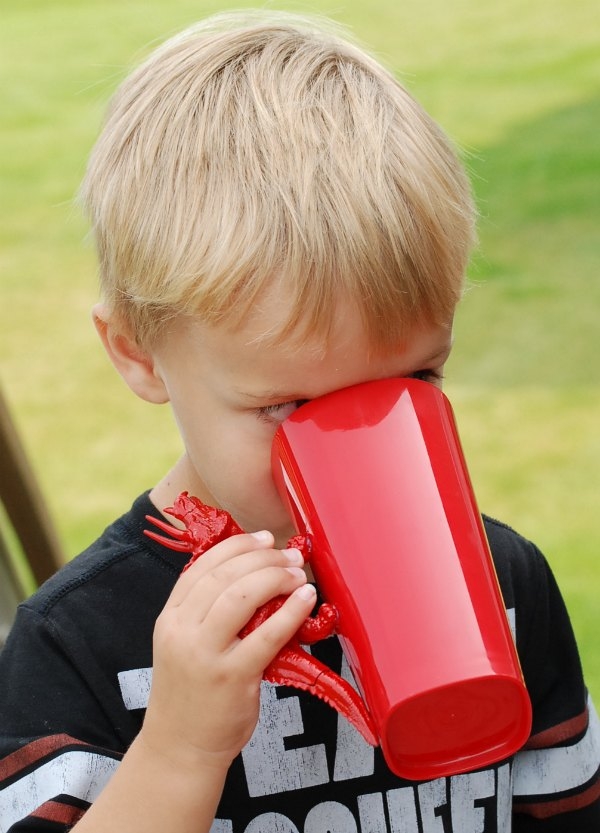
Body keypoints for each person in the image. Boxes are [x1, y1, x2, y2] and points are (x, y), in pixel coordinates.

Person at [0, 11, 598, 832]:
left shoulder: (504, 583)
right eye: (286, 407)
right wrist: (179, 749)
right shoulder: (80, 639)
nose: (354, 444)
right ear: (139, 355)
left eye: (412, 381)